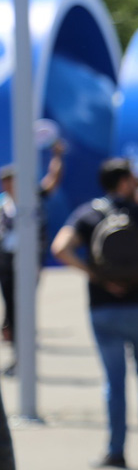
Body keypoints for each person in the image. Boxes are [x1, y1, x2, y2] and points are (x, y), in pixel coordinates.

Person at [51, 158, 138, 469]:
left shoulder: (87, 214)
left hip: (104, 307)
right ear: (123, 182)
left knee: (114, 381)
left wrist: (94, 274)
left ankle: (116, 449)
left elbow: (60, 247)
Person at [0, 139, 65, 374]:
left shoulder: (33, 197)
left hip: (28, 260)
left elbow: (53, 180)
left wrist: (57, 156)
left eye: (11, 180)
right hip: (6, 260)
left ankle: (23, 356)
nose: (8, 185)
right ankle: (18, 354)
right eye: (5, 181)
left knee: (24, 307)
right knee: (11, 310)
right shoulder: (3, 203)